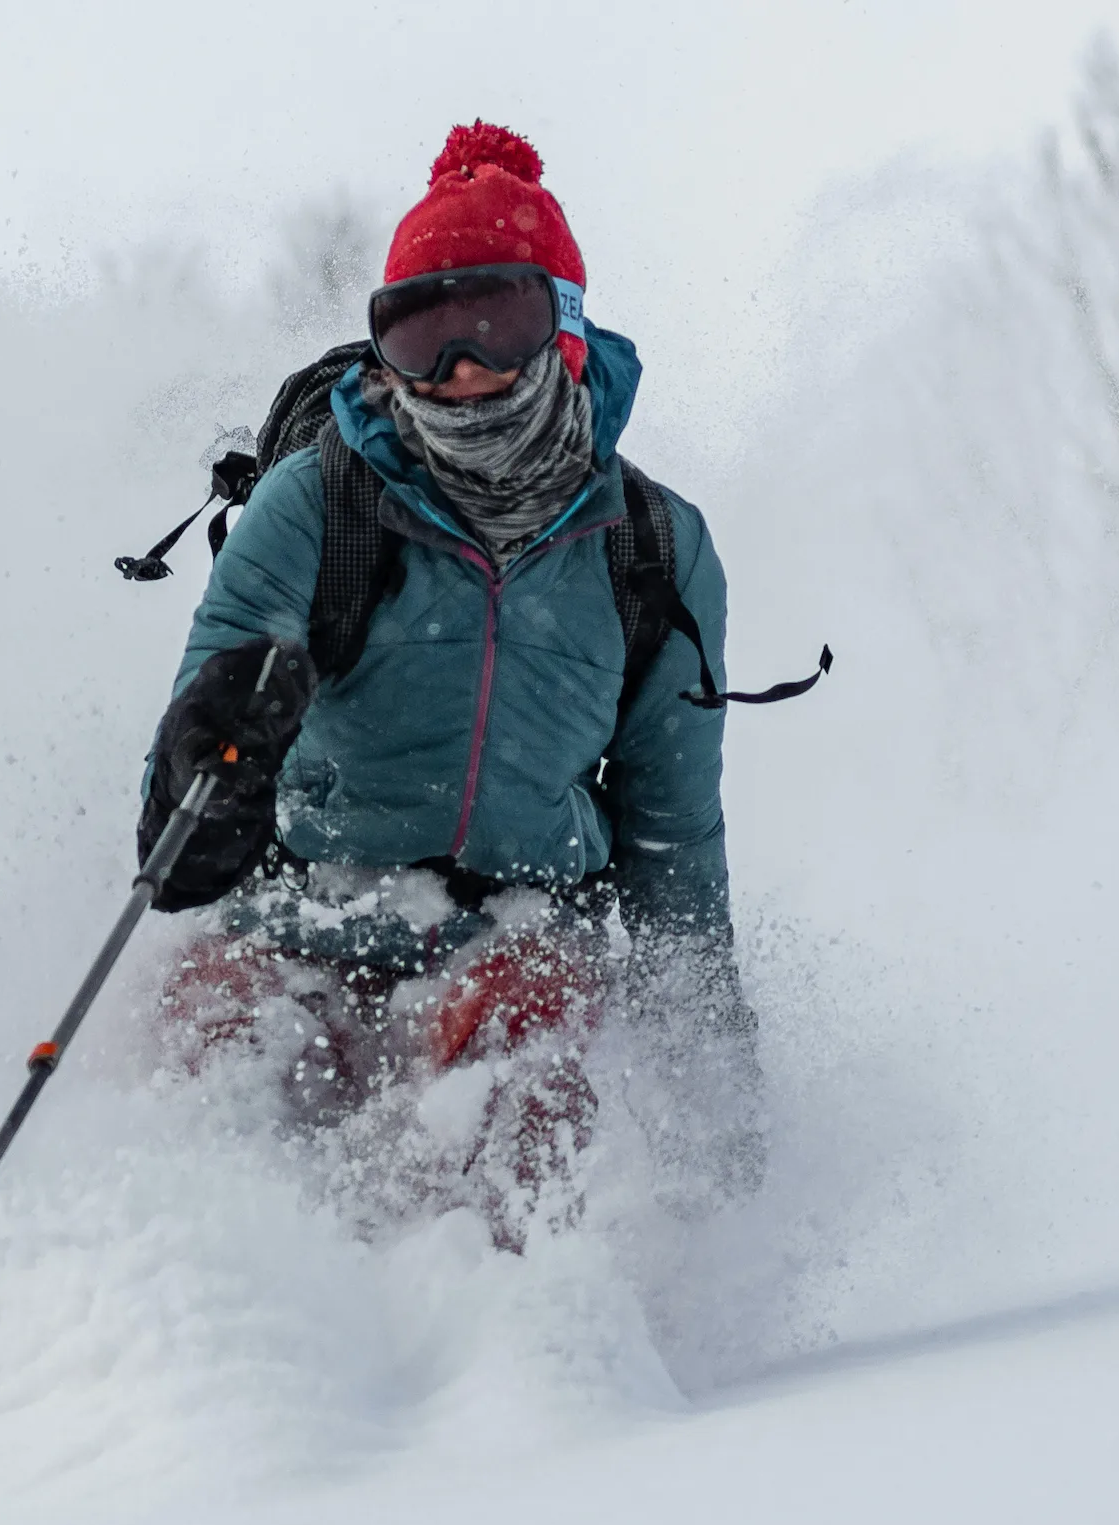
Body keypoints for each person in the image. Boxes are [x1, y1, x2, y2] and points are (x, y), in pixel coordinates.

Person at [140, 121, 761, 1247]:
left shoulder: (653, 548)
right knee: (211, 1020)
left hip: (518, 926)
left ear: (564, 328)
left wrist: (713, 1084)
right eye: (418, 333)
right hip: (306, 909)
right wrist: (216, 745)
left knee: (526, 1039)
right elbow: (179, 802)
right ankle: (201, 1322)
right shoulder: (312, 503)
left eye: (495, 322)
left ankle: (521, 1357)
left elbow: (672, 840)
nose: (458, 367)